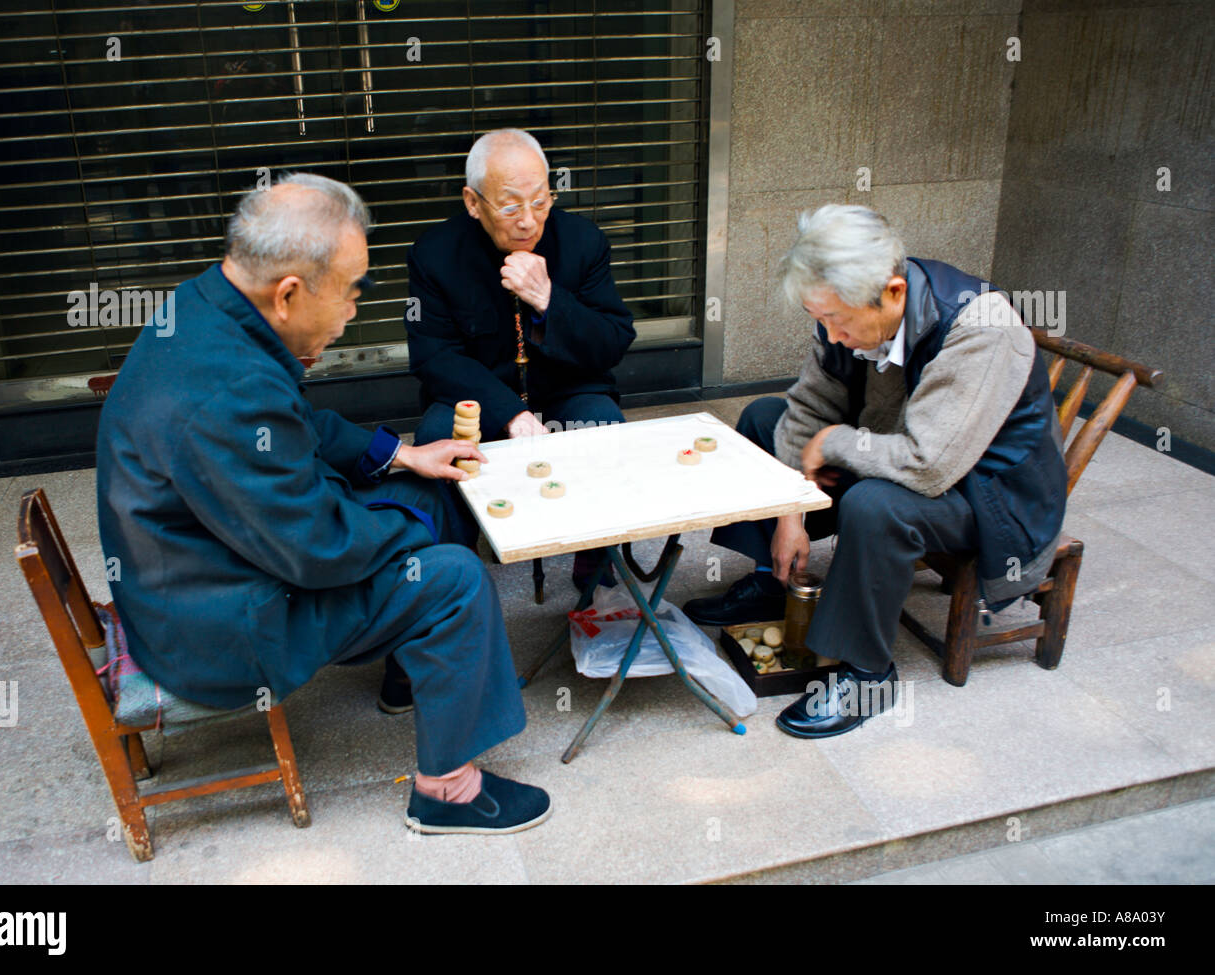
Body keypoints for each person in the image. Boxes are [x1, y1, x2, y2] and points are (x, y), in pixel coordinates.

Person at [96, 172, 550, 834]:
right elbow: (317, 549)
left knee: (433, 484)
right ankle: (445, 789)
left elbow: (293, 422)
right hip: (215, 623)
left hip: (198, 567)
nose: (355, 311)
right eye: (348, 292)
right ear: (288, 294)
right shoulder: (228, 391)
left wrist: (403, 456)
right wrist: (409, 532)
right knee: (454, 575)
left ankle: (409, 675)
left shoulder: (208, 302)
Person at [683, 204, 1067, 738]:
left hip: (988, 494)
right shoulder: (847, 311)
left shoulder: (982, 328)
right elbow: (809, 411)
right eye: (820, 319)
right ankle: (777, 580)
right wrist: (790, 517)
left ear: (891, 293)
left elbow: (929, 466)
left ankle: (867, 674)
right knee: (764, 419)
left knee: (875, 505)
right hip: (892, 450)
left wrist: (836, 442)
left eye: (838, 319)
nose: (831, 335)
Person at [405, 127, 635, 592]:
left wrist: (551, 301)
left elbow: (613, 341)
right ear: (473, 203)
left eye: (540, 201)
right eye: (510, 206)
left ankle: (597, 573)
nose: (529, 220)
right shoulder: (435, 255)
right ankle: (448, 582)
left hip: (568, 392)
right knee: (436, 439)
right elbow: (434, 356)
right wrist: (508, 412)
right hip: (479, 399)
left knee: (603, 425)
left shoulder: (583, 241)